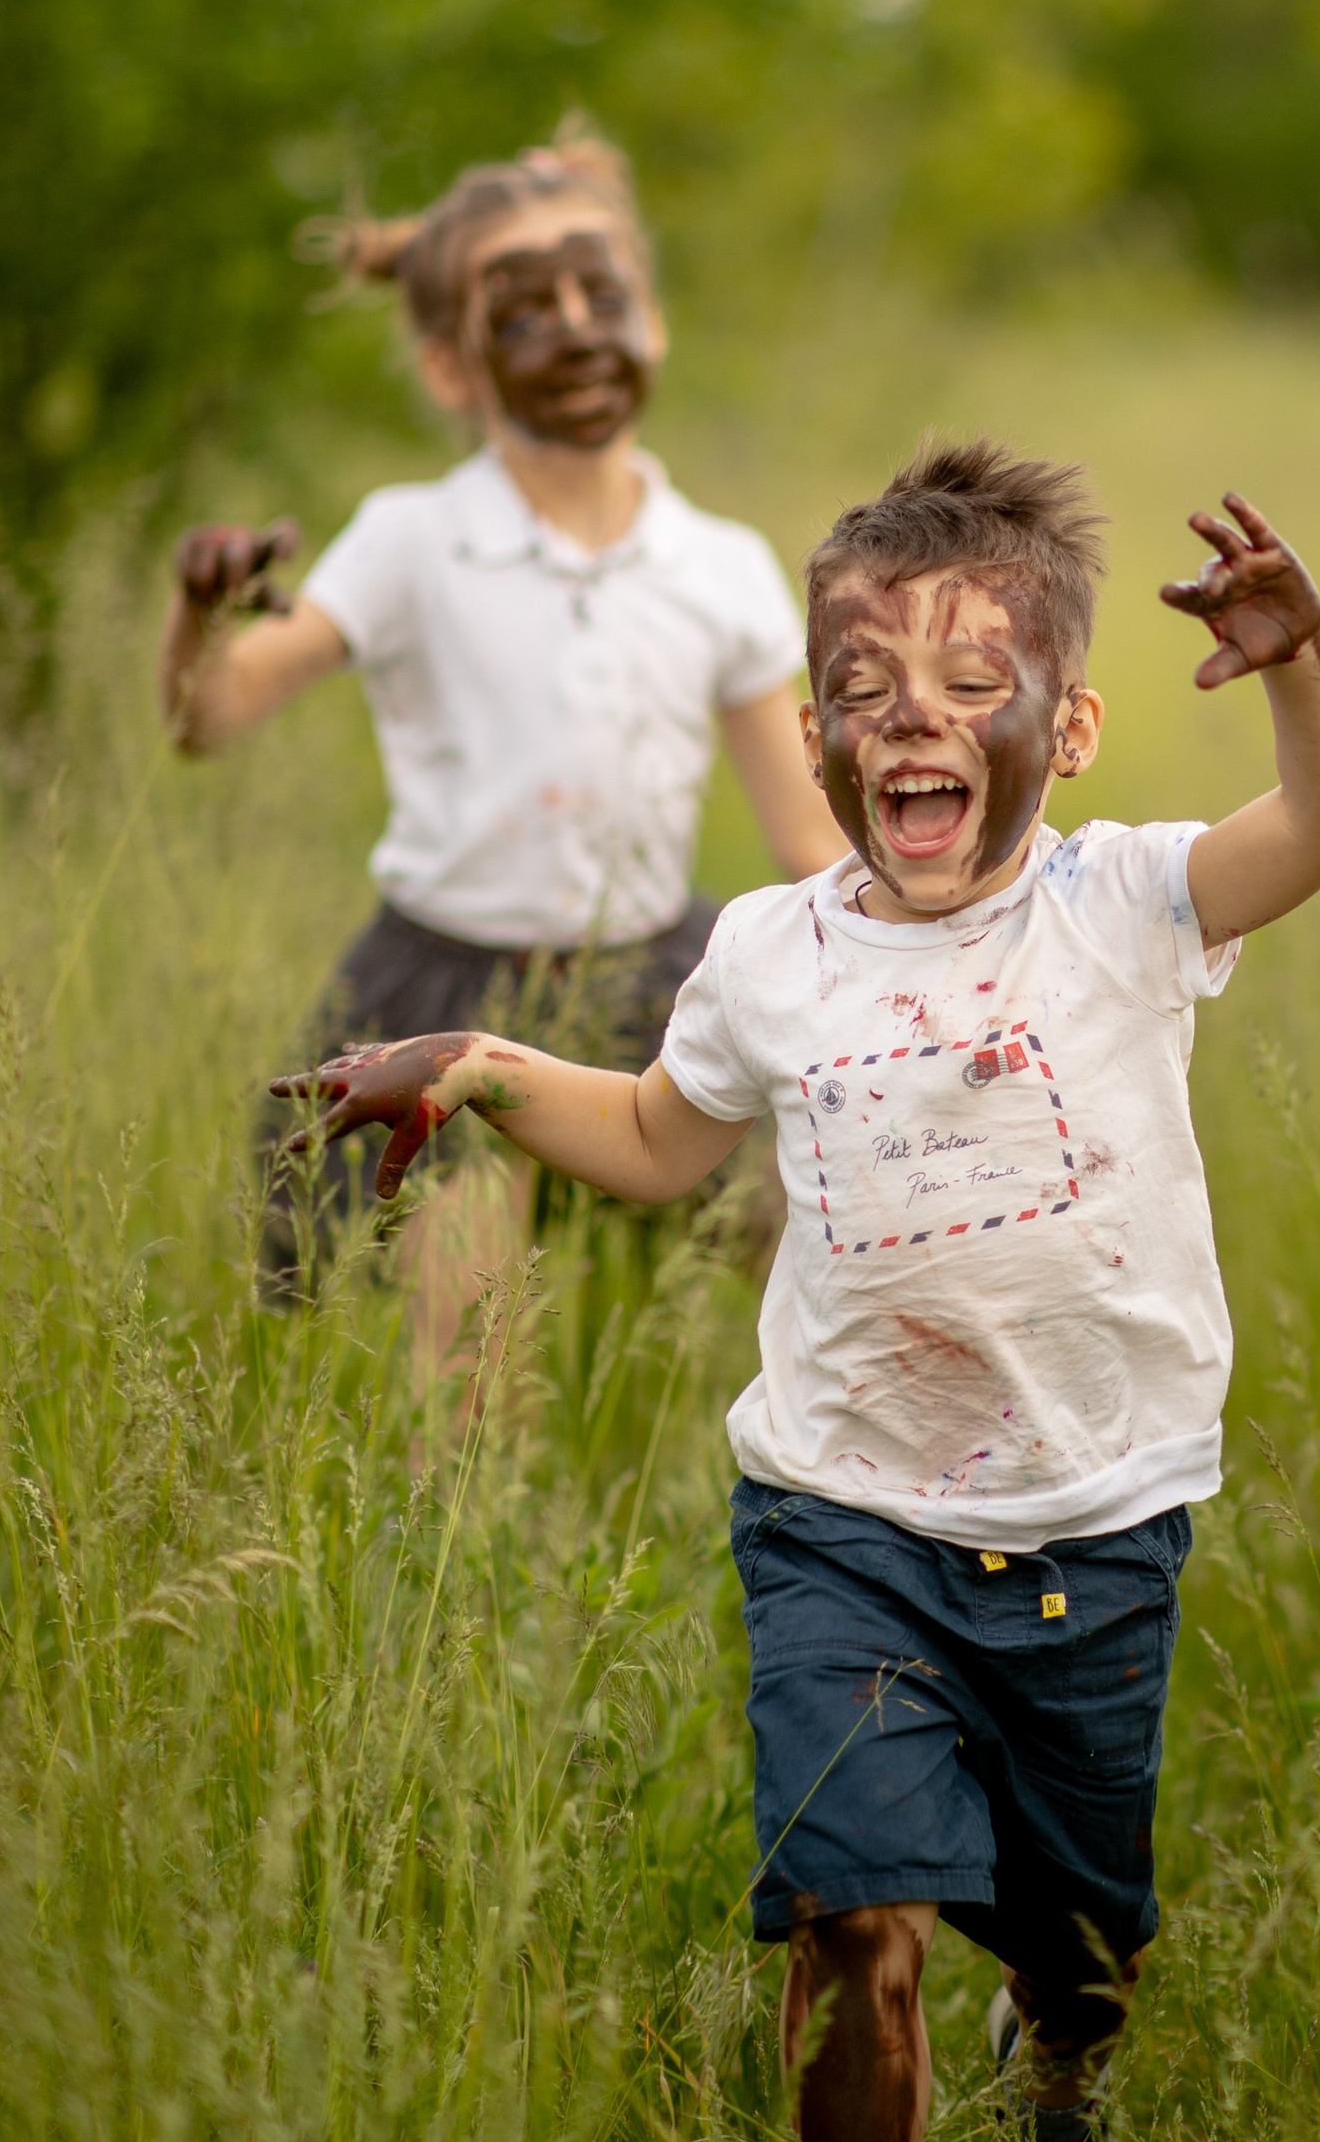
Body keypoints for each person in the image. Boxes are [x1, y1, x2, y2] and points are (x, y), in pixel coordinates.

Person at [274, 437, 1320, 2142]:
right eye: (867, 698)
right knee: (849, 1891)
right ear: (812, 731)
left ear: (1071, 718)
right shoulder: (772, 954)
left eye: (973, 693)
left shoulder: (1125, 902)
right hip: (836, 1515)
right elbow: (653, 1135)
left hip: (1092, 1520)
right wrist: (481, 1064)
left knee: (1073, 1939)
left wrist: (1302, 664)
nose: (916, 729)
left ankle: (1063, 2094)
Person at [161, 120, 844, 1352]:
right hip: (448, 984)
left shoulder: (721, 565)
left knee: (813, 1274)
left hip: (659, 975)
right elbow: (211, 716)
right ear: (449, 367)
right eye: (524, 314)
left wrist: (926, 957)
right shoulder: (409, 541)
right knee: (465, 1372)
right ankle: (466, 1543)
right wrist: (199, 620)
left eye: (603, 293)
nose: (577, 329)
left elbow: (804, 831)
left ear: (652, 318)